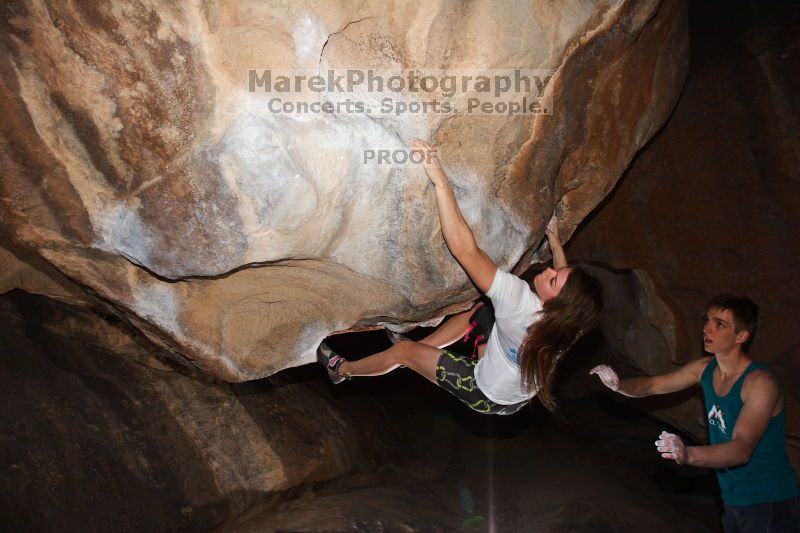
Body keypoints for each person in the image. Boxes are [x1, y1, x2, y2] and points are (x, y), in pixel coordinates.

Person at [317, 138, 603, 415]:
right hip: (519, 394)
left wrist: (439, 178)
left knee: (403, 351)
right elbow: (567, 294)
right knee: (481, 311)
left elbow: (464, 250)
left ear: (555, 306)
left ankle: (341, 370)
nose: (549, 271)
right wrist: (555, 243)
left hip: (485, 393)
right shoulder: (568, 325)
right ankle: (425, 351)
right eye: (556, 270)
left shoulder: (519, 303)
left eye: (553, 279)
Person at [590, 295, 799, 532]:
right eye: (707, 321)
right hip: (733, 498)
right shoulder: (705, 369)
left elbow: (741, 449)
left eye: (720, 324)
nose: (707, 328)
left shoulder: (759, 383)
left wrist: (687, 454)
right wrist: (619, 385)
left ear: (741, 336)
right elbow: (655, 385)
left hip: (768, 500)